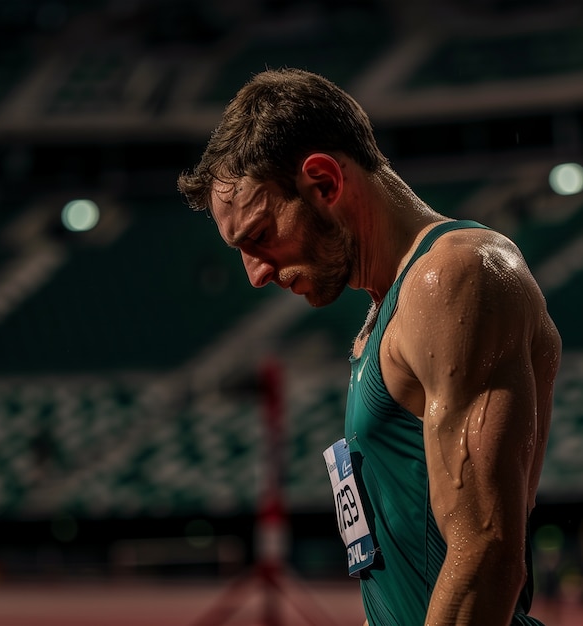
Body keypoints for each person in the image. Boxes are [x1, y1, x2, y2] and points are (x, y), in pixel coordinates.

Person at [177, 68, 562, 626]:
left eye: (259, 234)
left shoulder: (452, 277)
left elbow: (486, 553)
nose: (256, 274)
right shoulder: (392, 306)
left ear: (325, 182)